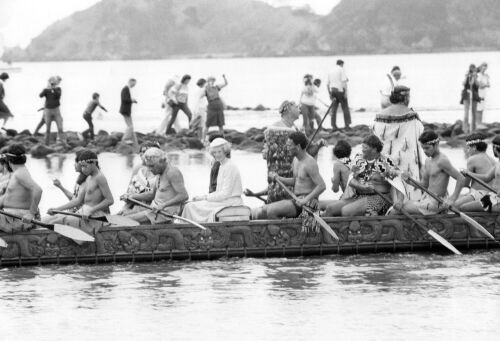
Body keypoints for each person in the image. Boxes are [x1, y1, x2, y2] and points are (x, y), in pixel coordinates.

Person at [252, 132, 326, 231]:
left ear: (298, 146)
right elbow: (296, 181)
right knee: (264, 210)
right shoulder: (295, 160)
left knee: (271, 211)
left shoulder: (310, 163)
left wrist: (305, 200)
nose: (287, 148)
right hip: (297, 200)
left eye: (289, 145)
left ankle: (284, 235)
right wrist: (278, 178)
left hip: (309, 204)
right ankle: (281, 233)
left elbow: (322, 186)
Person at [325, 135, 401, 217]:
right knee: (330, 208)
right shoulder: (359, 158)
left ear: (374, 149)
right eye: (362, 147)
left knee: (346, 211)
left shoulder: (386, 161)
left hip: (380, 198)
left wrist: (399, 201)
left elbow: (398, 182)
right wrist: (362, 187)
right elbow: (351, 180)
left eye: (365, 148)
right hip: (359, 196)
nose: (362, 150)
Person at [393, 131, 466, 215]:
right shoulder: (428, 161)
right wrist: (409, 181)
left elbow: (461, 178)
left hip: (436, 203)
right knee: (400, 205)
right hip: (427, 199)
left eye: (427, 148)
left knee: (396, 209)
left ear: (436, 145)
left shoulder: (442, 161)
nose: (424, 151)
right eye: (422, 148)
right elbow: (424, 185)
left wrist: (452, 198)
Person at [372, 85, 424, 200]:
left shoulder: (380, 115)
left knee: (389, 179)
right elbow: (421, 133)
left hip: (386, 158)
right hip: (407, 159)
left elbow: (375, 136)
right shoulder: (412, 116)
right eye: (409, 96)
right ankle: (410, 202)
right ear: (405, 98)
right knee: (408, 181)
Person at [45, 150, 114, 234]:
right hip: (83, 213)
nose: (83, 169)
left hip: (95, 217)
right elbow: (77, 200)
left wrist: (91, 210)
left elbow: (110, 200)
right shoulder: (89, 178)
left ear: (94, 163)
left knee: (56, 222)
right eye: (81, 166)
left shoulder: (100, 177)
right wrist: (57, 209)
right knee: (52, 218)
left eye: (85, 166)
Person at [182, 138, 243, 223]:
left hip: (231, 202)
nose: (217, 155)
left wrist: (205, 197)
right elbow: (219, 192)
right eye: (214, 152)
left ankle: (191, 230)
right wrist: (203, 197)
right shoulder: (222, 166)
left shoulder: (230, 166)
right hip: (224, 201)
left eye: (219, 152)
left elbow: (225, 194)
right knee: (190, 205)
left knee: (190, 207)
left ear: (225, 151)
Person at [122, 148, 189, 224]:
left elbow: (184, 196)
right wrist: (132, 196)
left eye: (152, 166)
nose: (150, 169)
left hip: (164, 215)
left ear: (162, 161)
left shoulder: (172, 172)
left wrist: (163, 205)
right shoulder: (159, 173)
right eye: (148, 166)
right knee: (123, 215)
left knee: (125, 220)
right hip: (153, 210)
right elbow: (152, 194)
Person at [0, 144, 43, 233]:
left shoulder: (21, 173)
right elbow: (8, 196)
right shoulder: (19, 172)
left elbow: (38, 190)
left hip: (17, 219)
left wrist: (31, 213)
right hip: (9, 216)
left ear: (8, 159)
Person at [119, 141, 161, 216]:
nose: (145, 154)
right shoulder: (137, 169)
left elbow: (154, 195)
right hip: (134, 204)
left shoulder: (158, 169)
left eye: (148, 151)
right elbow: (129, 190)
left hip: (151, 207)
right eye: (143, 151)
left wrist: (132, 196)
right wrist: (126, 197)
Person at [460, 135, 500, 212]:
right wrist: (468, 173)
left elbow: (465, 184)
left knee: (464, 208)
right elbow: (486, 177)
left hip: (497, 200)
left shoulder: (472, 159)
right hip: (492, 196)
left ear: (495, 148)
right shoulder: (497, 162)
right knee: (463, 206)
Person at [39, 76, 64, 145]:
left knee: (60, 128)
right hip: (48, 111)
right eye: (51, 83)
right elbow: (40, 95)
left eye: (54, 83)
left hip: (56, 110)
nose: (53, 84)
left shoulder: (58, 89)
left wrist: (53, 88)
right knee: (47, 129)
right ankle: (46, 144)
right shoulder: (46, 90)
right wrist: (47, 88)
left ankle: (63, 143)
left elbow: (58, 95)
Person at [327, 59, 351, 130]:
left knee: (334, 108)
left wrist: (329, 94)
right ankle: (347, 125)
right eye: (343, 65)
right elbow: (344, 82)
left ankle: (333, 125)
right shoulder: (341, 69)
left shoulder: (331, 70)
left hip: (333, 90)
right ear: (341, 64)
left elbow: (327, 84)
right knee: (345, 108)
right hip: (340, 90)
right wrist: (346, 92)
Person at [204, 75, 228, 139]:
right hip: (211, 106)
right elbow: (200, 96)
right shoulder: (205, 88)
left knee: (221, 124)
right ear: (208, 81)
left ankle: (223, 138)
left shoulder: (216, 87)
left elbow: (226, 83)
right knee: (208, 123)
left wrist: (224, 77)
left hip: (219, 105)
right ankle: (203, 139)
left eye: (213, 80)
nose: (212, 82)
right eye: (211, 80)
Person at [460, 64, 480, 133]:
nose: (472, 71)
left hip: (474, 96)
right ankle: (465, 129)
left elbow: (477, 85)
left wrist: (474, 77)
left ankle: (473, 129)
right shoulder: (467, 75)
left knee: (474, 112)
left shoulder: (476, 76)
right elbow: (463, 83)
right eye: (471, 69)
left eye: (473, 69)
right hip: (467, 95)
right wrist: (467, 76)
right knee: (466, 113)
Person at [120, 78, 138, 147]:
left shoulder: (126, 89)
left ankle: (133, 141)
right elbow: (124, 99)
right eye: (134, 84)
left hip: (126, 110)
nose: (134, 86)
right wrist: (132, 100)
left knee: (131, 126)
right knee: (130, 126)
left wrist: (132, 100)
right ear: (130, 82)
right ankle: (125, 139)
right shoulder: (125, 89)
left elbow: (126, 99)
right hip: (125, 110)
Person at [476, 62, 490, 128]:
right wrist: (485, 85)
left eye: (485, 68)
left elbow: (488, 85)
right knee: (478, 108)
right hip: (478, 93)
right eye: (483, 67)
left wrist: (485, 84)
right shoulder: (478, 75)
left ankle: (480, 122)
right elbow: (479, 85)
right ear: (481, 67)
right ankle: (478, 123)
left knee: (482, 108)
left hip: (483, 93)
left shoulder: (485, 75)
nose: (484, 69)